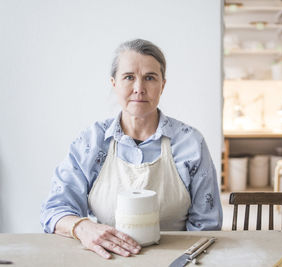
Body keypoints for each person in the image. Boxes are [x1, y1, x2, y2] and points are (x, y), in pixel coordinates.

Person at [40, 39, 223, 259]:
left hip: (176, 259)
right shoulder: (91, 141)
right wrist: (83, 227)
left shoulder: (190, 143)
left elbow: (207, 225)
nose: (139, 88)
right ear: (114, 83)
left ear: (162, 85)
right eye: (129, 77)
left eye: (150, 78)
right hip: (106, 258)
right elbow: (54, 210)